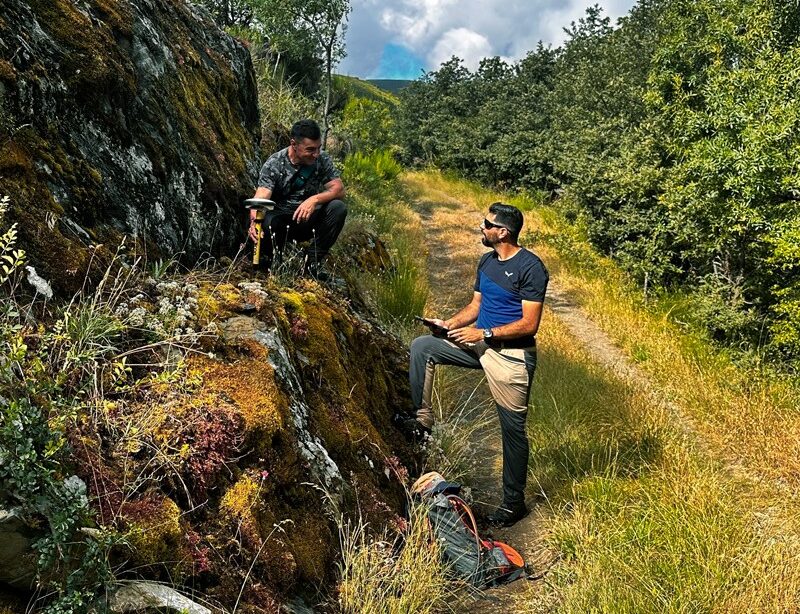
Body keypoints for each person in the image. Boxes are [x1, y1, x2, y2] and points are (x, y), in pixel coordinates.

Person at [405, 202, 548, 528]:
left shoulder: (531, 268)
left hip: (511, 356)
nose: (481, 227)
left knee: (512, 432)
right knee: (423, 347)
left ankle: (514, 504)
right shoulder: (487, 261)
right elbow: (476, 305)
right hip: (479, 346)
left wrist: (483, 332)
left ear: (503, 232)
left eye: (487, 224)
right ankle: (421, 422)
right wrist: (448, 324)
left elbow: (530, 324)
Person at [248, 119, 346, 280]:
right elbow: (262, 195)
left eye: (319, 148)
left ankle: (312, 263)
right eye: (310, 150)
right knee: (266, 221)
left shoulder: (321, 159)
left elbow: (339, 189)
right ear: (294, 144)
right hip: (281, 222)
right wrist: (254, 220)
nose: (316, 154)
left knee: (338, 208)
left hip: (307, 219)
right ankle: (271, 263)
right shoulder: (275, 163)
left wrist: (314, 200)